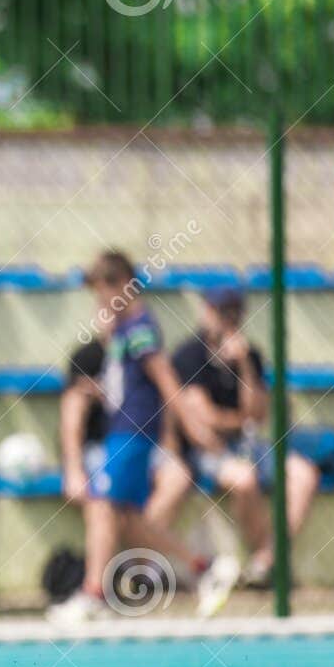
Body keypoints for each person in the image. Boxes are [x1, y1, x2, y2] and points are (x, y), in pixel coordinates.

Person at [47, 250, 238, 623]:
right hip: (125, 428)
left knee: (101, 505)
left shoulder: (141, 331)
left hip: (132, 431)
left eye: (103, 292)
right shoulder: (122, 330)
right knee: (134, 521)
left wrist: (193, 427)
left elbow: (166, 381)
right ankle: (205, 569)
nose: (100, 302)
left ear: (122, 286)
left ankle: (92, 595)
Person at [167, 286, 321, 589]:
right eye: (221, 312)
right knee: (244, 479)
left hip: (244, 444)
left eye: (234, 314)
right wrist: (238, 420)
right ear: (206, 313)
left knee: (304, 475)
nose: (228, 321)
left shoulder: (249, 356)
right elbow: (204, 419)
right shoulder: (189, 355)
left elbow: (257, 413)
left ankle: (266, 560)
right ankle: (266, 561)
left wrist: (245, 368)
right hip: (205, 449)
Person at [61, 335, 191, 535]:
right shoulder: (91, 356)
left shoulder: (146, 355)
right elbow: (73, 405)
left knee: (178, 477)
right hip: (100, 446)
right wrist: (73, 471)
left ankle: (145, 547)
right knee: (108, 507)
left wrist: (170, 445)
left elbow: (166, 399)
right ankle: (178, 558)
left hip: (141, 444)